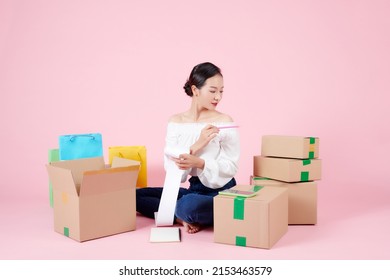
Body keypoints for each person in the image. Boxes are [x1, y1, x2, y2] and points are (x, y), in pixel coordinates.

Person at [136, 62, 240, 234]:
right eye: (213, 91)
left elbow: (231, 166)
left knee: (189, 205)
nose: (218, 97)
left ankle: (186, 212)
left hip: (220, 191)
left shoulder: (225, 121)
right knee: (135, 196)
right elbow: (172, 169)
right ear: (195, 90)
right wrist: (196, 146)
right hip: (194, 189)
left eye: (221, 91)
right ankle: (181, 217)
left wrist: (200, 163)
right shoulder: (176, 122)